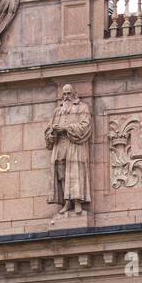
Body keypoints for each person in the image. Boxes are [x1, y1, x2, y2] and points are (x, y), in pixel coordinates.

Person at [45, 85, 92, 213]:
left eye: (69, 93)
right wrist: (53, 131)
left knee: (75, 172)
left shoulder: (82, 108)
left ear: (74, 94)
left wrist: (66, 128)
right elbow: (48, 131)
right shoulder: (57, 111)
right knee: (61, 174)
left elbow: (85, 126)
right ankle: (66, 202)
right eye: (64, 94)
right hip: (60, 146)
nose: (66, 97)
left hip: (74, 145)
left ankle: (77, 202)